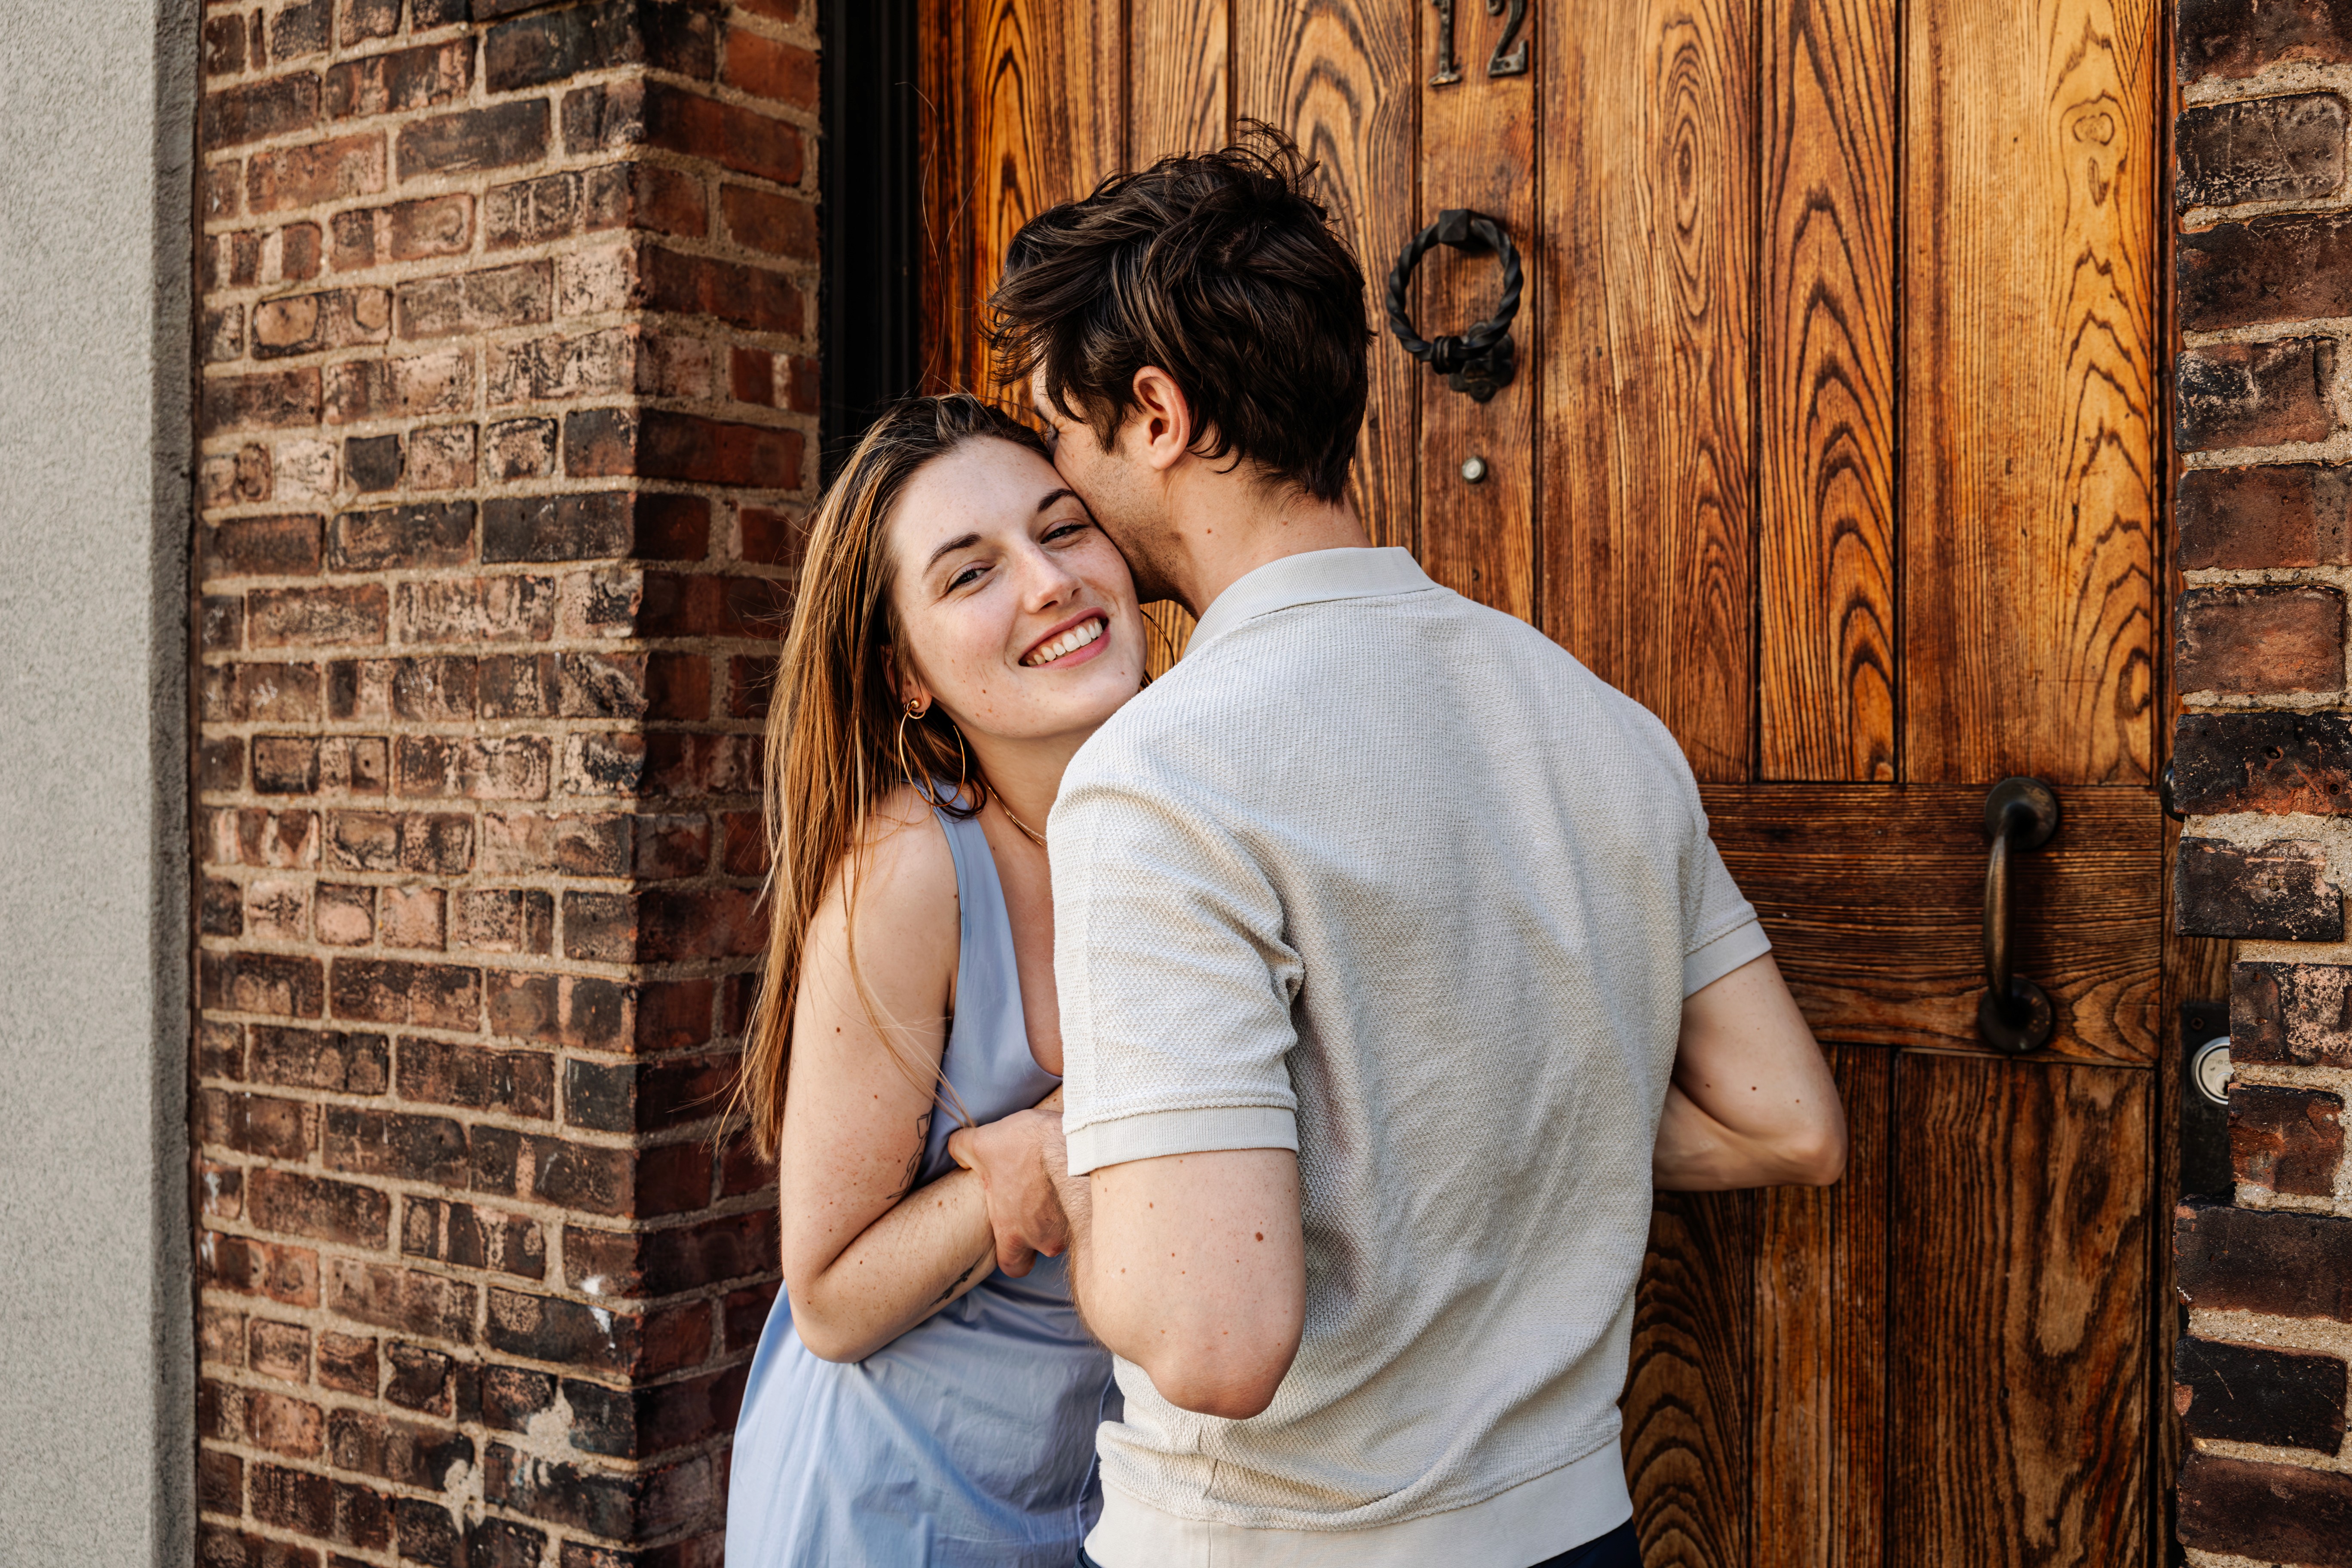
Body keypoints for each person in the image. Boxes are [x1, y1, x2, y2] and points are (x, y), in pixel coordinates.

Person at [949, 127, 1851, 1568]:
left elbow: (1212, 1340)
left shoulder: (1159, 778)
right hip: (1578, 1531)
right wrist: (1445, 1138)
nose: (1066, 477)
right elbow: (1784, 1123)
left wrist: (1089, 1176)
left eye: (1067, 431)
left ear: (1160, 415)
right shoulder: (1603, 722)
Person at [723, 395, 1149, 1566]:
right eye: (970, 576)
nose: (1049, 580)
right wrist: (1051, 1147)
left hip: (1098, 1502)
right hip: (888, 1513)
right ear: (906, 672)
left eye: (1063, 531)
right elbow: (829, 1301)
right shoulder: (911, 870)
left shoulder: (1186, 819)